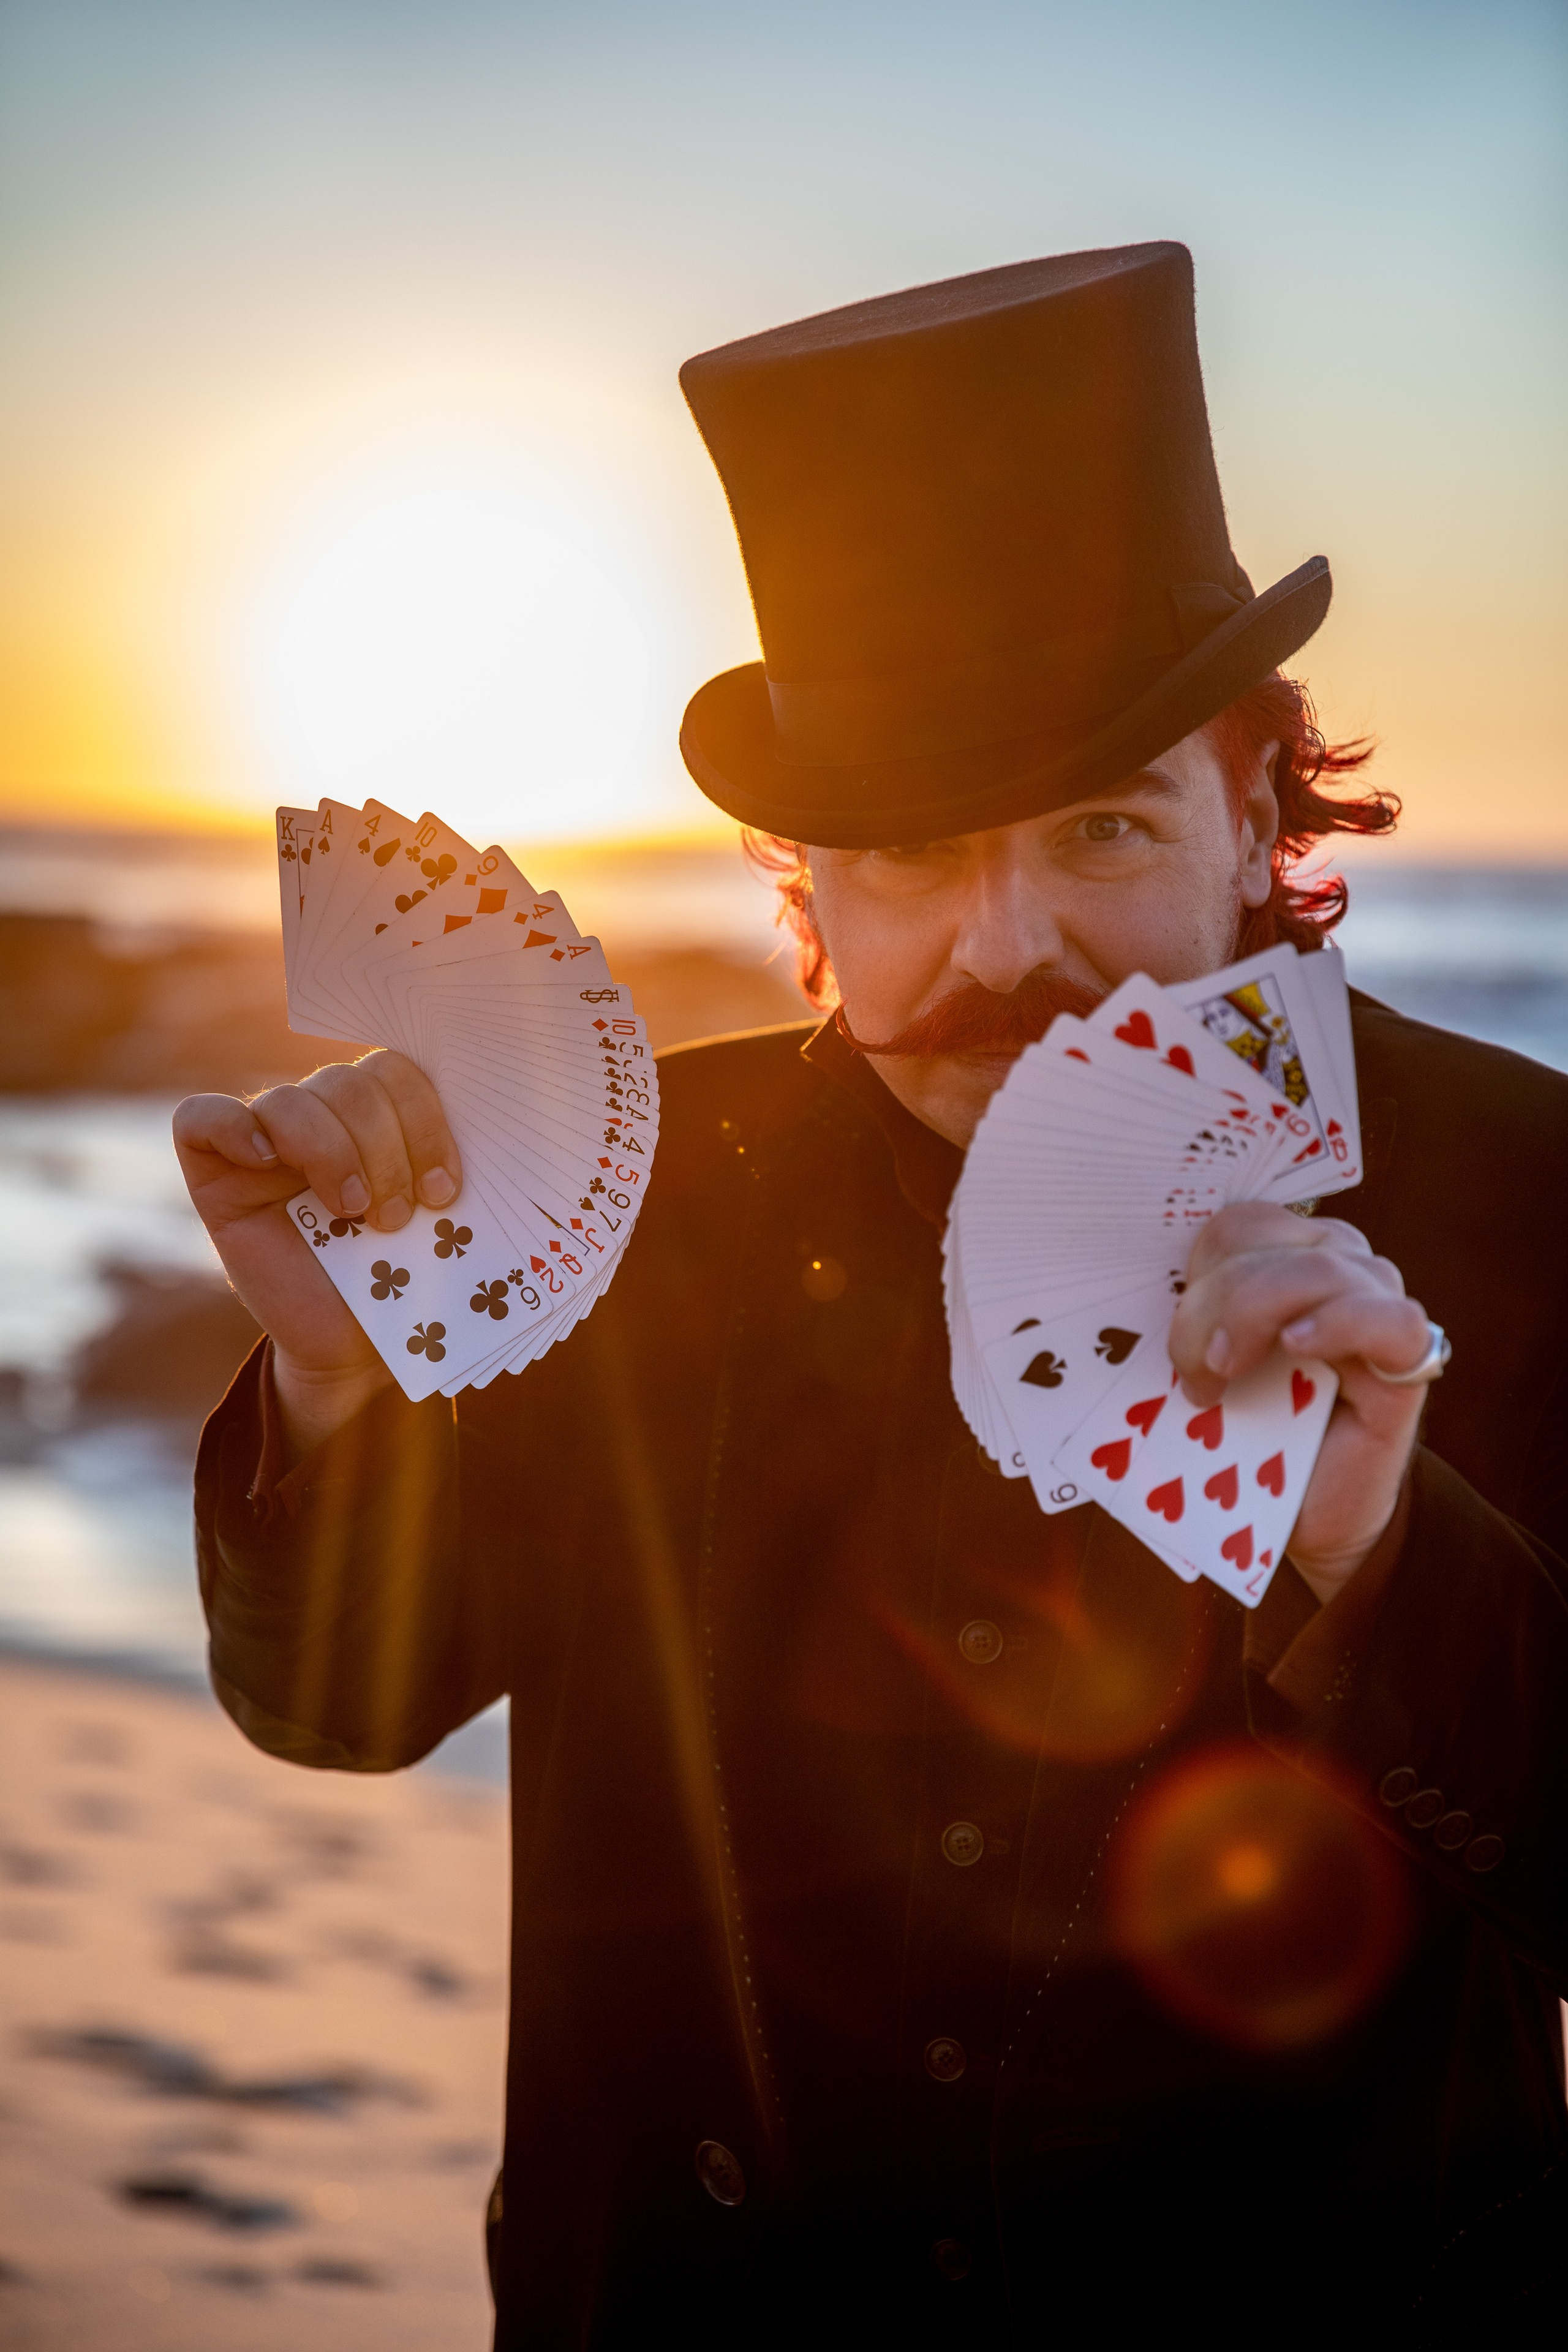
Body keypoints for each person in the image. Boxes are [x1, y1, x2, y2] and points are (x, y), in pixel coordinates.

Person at [175, 245, 1568, 2346]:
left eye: (1101, 825)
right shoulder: (626, 1197)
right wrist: (339, 1375)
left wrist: (1380, 1557)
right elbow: (337, 1711)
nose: (1010, 948)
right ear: (798, 874)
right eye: (908, 855)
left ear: (1257, 798)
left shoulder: (1532, 1200)